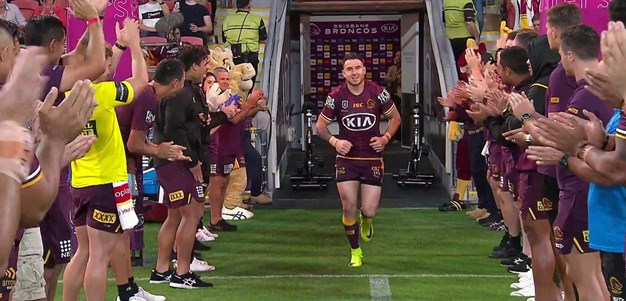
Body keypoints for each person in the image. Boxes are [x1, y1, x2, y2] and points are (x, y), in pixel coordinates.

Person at [61, 18, 151, 301]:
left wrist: (121, 44)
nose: (110, 68)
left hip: (80, 182)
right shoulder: (102, 94)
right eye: (105, 62)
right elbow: (141, 82)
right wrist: (136, 45)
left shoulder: (68, 95)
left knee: (83, 252)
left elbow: (103, 72)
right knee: (99, 257)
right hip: (109, 183)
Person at [149, 45, 236, 289]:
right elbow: (173, 127)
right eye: (206, 63)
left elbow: (199, 126)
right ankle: (182, 273)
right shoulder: (180, 92)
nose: (208, 67)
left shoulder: (190, 92)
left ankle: (161, 270)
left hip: (176, 161)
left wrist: (224, 115)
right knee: (192, 215)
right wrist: (193, 160)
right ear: (195, 66)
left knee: (175, 216)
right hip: (177, 161)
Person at [315, 53, 401, 267]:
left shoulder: (378, 93)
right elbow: (320, 126)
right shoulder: (336, 96)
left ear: (364, 70)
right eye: (350, 69)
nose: (354, 72)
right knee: (348, 206)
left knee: (369, 209)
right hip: (347, 160)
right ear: (344, 73)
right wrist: (335, 142)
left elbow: (396, 117)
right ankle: (355, 251)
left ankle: (367, 219)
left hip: (372, 159)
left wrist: (385, 138)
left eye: (358, 68)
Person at [207, 67, 262, 226]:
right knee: (217, 182)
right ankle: (215, 218)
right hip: (217, 145)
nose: (225, 82)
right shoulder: (214, 98)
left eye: (227, 79)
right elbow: (232, 119)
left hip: (230, 144)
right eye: (221, 79)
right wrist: (251, 102)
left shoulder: (230, 96)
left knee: (224, 181)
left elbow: (239, 116)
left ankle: (219, 217)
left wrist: (253, 106)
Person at [222, 0, 266, 85]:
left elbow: (224, 39)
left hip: (231, 55)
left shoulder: (227, 19)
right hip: (250, 56)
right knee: (249, 83)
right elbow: (264, 37)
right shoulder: (257, 19)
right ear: (248, 5)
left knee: (232, 82)